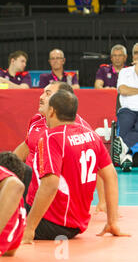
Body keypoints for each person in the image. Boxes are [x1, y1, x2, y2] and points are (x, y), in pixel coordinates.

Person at [21, 90, 129, 243]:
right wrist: (112, 222)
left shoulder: (52, 136)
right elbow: (111, 176)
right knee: (21, 170)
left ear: (51, 111)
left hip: (51, 223)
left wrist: (29, 229)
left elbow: (50, 185)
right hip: (77, 225)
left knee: (0, 205)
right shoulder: (92, 135)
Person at [14, 81, 107, 213]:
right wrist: (4, 167)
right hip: (32, 186)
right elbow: (26, 147)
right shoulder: (36, 120)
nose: (41, 97)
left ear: (61, 100)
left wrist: (102, 201)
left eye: (47, 94)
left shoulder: (80, 129)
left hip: (55, 194)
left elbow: (95, 165)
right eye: (42, 92)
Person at [112, 44, 138, 172]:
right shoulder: (125, 71)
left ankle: (126, 153)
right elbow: (122, 90)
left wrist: (132, 90)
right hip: (127, 109)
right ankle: (127, 152)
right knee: (125, 124)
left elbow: (128, 90)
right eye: (136, 53)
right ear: (133, 56)